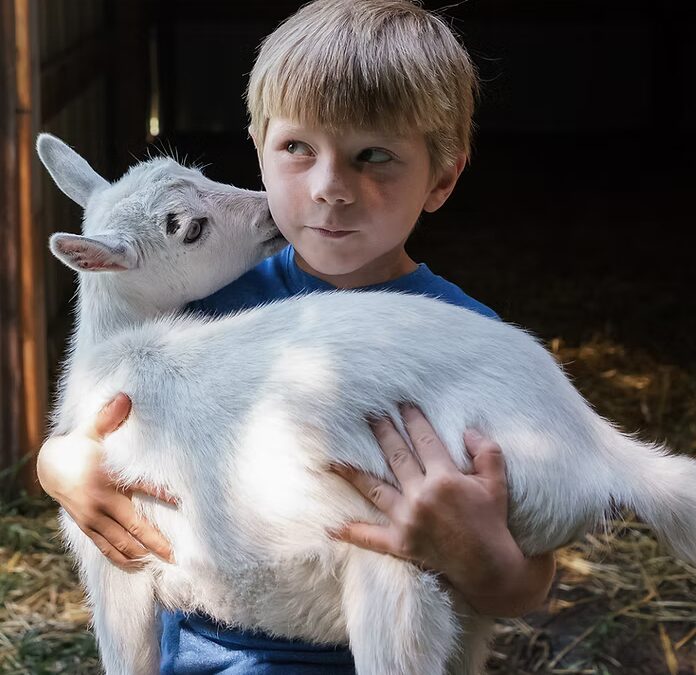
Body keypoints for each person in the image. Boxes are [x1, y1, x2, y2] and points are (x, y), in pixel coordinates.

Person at [36, 0, 557, 671]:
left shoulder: (465, 344)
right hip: (209, 652)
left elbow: (530, 576)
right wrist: (61, 468)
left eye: (374, 156)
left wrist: (482, 558)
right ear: (258, 149)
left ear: (444, 176)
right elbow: (102, 425)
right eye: (296, 148)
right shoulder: (199, 308)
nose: (330, 187)